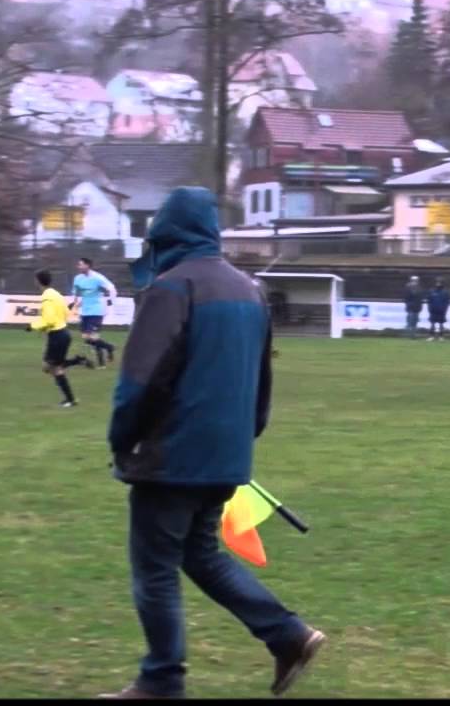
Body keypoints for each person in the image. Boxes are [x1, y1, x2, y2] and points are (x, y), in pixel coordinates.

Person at [103, 186, 324, 700]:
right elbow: (261, 384)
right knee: (202, 556)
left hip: (172, 457)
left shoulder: (170, 289)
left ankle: (161, 681)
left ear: (165, 234)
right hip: (226, 456)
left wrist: (122, 439)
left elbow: (141, 380)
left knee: (154, 568)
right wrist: (241, 442)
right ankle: (288, 635)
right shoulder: (250, 291)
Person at [26, 268, 92, 408]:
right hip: (63, 334)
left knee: (52, 368)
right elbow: (66, 313)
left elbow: (48, 320)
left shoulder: (47, 298)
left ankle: (70, 399)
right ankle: (78, 361)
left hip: (56, 336)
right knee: (54, 367)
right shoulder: (56, 295)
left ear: (38, 281)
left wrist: (32, 326)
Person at [71, 257, 118, 367]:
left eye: (81, 264)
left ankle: (102, 363)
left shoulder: (98, 278)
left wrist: (110, 301)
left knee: (93, 337)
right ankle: (109, 348)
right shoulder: (77, 278)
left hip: (97, 310)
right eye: (78, 264)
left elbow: (112, 288)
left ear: (88, 265)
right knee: (87, 338)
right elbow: (77, 292)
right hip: (85, 311)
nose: (79, 266)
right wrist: (77, 303)